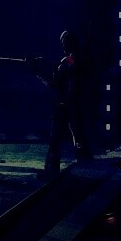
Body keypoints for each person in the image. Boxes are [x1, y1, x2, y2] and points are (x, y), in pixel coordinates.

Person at [30, 29, 93, 176]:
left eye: (65, 43)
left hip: (68, 105)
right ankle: (87, 166)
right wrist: (46, 64)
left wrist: (37, 70)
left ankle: (56, 170)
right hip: (72, 105)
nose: (63, 46)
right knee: (77, 138)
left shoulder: (72, 60)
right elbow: (64, 67)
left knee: (61, 139)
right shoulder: (75, 59)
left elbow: (54, 81)